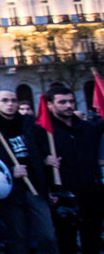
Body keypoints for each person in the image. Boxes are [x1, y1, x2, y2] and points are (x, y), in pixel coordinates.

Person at [0, 90, 58, 254]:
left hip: (35, 187)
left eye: (13, 100)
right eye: (5, 100)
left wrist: (45, 160)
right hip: (9, 192)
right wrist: (10, 171)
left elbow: (41, 150)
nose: (10, 104)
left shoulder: (30, 125)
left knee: (47, 235)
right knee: (18, 237)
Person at [45, 85, 102, 254]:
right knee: (66, 241)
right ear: (50, 105)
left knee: (92, 239)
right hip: (63, 194)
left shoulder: (88, 128)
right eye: (62, 102)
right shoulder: (44, 131)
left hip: (91, 191)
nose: (69, 106)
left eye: (71, 101)